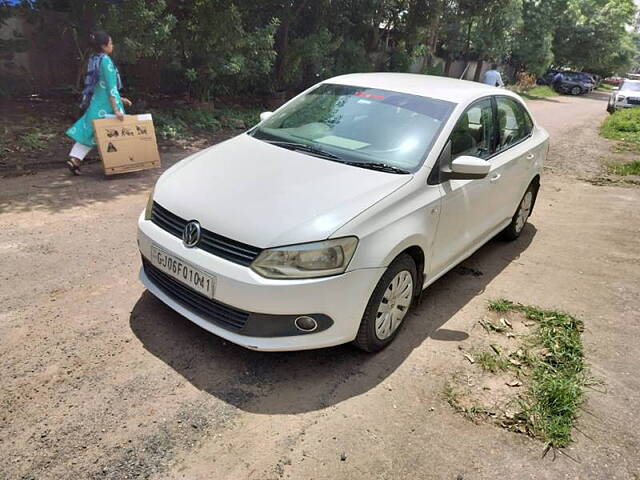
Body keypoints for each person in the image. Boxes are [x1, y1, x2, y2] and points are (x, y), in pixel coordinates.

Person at [65, 31, 132, 175]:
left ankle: (75, 159)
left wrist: (121, 99)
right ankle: (120, 163)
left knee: (89, 131)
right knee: (114, 134)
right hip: (107, 105)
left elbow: (100, 84)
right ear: (103, 46)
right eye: (111, 43)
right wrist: (116, 108)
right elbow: (111, 87)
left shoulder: (94, 59)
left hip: (97, 101)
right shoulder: (106, 61)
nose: (112, 45)